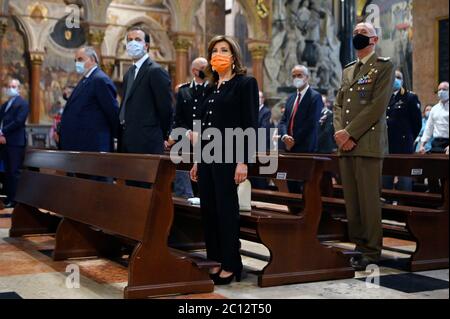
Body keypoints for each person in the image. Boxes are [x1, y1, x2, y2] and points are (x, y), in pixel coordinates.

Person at [189, 35, 258, 285]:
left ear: (233, 56)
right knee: (208, 210)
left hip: (229, 157)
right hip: (207, 157)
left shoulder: (245, 84)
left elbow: (250, 124)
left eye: (224, 49)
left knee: (226, 211)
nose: (219, 53)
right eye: (214, 50)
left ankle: (231, 263)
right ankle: (215, 259)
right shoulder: (211, 87)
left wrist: (243, 161)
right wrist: (198, 160)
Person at [333, 22, 394, 270]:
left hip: (367, 143)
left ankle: (372, 249)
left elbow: (377, 106)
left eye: (363, 34)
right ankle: (359, 245)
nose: (357, 36)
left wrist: (349, 133)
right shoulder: (348, 70)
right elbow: (338, 105)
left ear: (375, 40)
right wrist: (339, 133)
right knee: (353, 200)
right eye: (356, 33)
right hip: (346, 144)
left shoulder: (383, 67)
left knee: (368, 200)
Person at [118, 27, 173, 155]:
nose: (133, 43)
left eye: (137, 39)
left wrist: (162, 134)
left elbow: (165, 108)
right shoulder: (128, 74)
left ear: (146, 45)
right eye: (129, 40)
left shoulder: (155, 71)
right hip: (127, 138)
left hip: (147, 140)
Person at [59, 47, 118, 152]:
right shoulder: (85, 80)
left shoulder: (100, 79)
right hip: (80, 143)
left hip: (92, 144)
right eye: (76, 60)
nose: (77, 63)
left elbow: (112, 111)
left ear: (92, 59)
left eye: (80, 59)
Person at [278, 64, 323, 193]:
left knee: (304, 185)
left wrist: (294, 140)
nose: (296, 78)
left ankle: (305, 212)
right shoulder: (291, 98)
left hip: (305, 147)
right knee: (291, 182)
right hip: (288, 147)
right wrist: (285, 136)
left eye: (299, 75)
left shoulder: (315, 97)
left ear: (307, 78)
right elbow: (283, 121)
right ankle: (294, 210)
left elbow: (311, 123)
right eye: (294, 76)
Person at [172, 57, 209, 198]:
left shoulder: (212, 89)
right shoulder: (184, 91)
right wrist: (188, 132)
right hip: (186, 143)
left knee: (204, 187)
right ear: (194, 71)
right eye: (204, 68)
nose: (208, 71)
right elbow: (178, 118)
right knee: (185, 189)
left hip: (206, 142)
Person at [383, 69, 422, 191]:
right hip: (387, 146)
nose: (395, 79)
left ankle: (405, 207)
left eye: (398, 77)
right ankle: (388, 208)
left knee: (404, 183)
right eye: (393, 77)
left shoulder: (410, 97)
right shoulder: (384, 98)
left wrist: (408, 138)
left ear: (402, 80)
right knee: (385, 183)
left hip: (403, 147)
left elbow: (417, 124)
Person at [0, 79, 30, 208]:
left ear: (19, 89)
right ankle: (8, 197)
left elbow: (18, 122)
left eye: (13, 86)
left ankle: (15, 200)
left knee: (14, 172)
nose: (10, 88)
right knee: (6, 172)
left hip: (15, 142)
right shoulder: (5, 104)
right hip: (4, 141)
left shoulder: (22, 103)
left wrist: (2, 131)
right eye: (9, 86)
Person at [419, 82, 449, 155]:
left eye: (444, 89)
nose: (441, 91)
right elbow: (429, 128)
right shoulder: (434, 109)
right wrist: (422, 144)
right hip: (436, 143)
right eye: (439, 89)